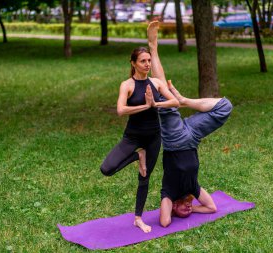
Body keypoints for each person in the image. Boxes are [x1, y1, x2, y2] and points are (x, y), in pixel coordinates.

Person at [145, 21, 233, 227]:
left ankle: (153, 48)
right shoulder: (193, 189)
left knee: (161, 92)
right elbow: (212, 208)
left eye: (182, 211)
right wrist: (193, 208)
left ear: (173, 206)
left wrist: (174, 209)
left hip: (175, 140)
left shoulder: (169, 192)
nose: (186, 210)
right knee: (225, 107)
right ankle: (184, 101)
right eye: (188, 212)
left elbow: (165, 222)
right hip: (193, 137)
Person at [100, 47, 179, 233]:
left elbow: (175, 101)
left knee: (144, 178)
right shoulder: (127, 85)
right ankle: (138, 156)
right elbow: (121, 110)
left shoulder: (157, 83)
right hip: (132, 137)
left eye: (149, 61)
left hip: (153, 137)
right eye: (143, 61)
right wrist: (146, 105)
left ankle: (138, 218)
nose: (147, 64)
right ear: (133, 63)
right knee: (107, 169)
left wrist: (156, 104)